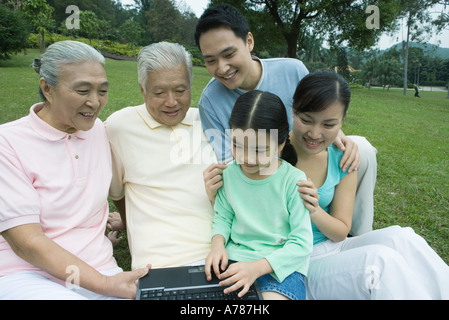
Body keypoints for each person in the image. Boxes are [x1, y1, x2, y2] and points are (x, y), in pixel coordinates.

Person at [195, 3, 377, 236]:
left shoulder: (292, 70)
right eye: (210, 60)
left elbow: (319, 111)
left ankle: (358, 233)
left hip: (306, 150)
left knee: (362, 149)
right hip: (262, 168)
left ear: (249, 42)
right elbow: (232, 160)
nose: (222, 68)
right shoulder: (211, 101)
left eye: (229, 54)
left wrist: (338, 136)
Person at [0, 40, 149, 300]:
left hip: (98, 266)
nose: (94, 102)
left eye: (102, 91)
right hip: (25, 274)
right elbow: (27, 242)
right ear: (47, 88)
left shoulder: (100, 132)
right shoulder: (7, 143)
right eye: (82, 90)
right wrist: (105, 284)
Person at [292, 70, 449, 299]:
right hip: (299, 264)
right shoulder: (270, 151)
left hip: (334, 247)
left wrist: (314, 211)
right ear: (293, 110)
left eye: (329, 124)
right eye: (306, 120)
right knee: (378, 263)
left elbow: (340, 231)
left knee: (401, 237)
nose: (315, 133)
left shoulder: (343, 157)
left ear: (342, 122)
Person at [105, 42, 217, 271]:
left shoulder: (208, 121)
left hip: (224, 254)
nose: (171, 102)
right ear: (143, 90)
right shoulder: (119, 127)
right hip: (160, 264)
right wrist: (129, 223)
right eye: (159, 93)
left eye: (180, 90)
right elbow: (117, 193)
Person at [205, 90, 312, 300]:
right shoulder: (229, 174)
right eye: (237, 144)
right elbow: (223, 217)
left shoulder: (293, 180)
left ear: (281, 144)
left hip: (280, 269)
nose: (245, 157)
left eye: (259, 149)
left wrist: (257, 268)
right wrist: (217, 246)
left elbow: (301, 243)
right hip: (235, 263)